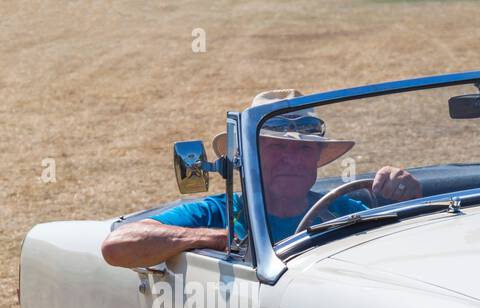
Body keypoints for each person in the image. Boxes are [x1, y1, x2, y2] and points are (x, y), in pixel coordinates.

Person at [101, 89, 420, 269]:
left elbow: (401, 261)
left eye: (303, 149)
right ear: (249, 158)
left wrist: (409, 201)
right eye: (277, 147)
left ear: (316, 159)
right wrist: (216, 239)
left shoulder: (341, 210)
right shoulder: (219, 213)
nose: (291, 159)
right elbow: (117, 247)